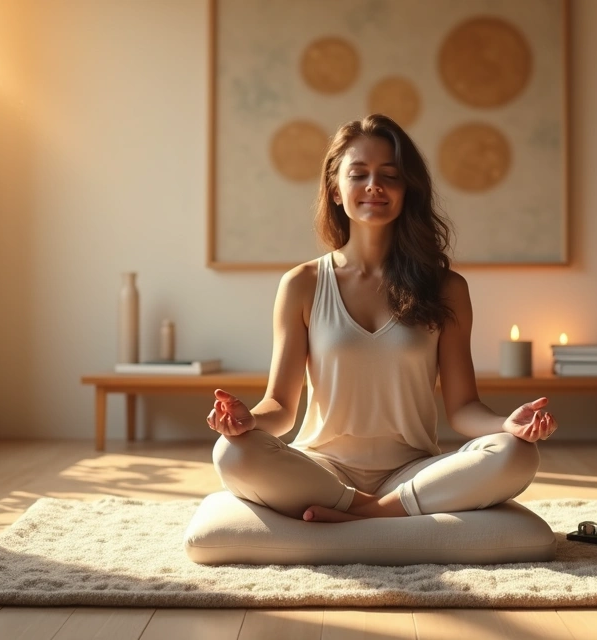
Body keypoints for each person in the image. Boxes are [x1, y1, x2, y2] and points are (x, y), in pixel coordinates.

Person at [207, 113, 558, 524]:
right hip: (322, 470)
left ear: (407, 189)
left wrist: (506, 424)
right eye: (359, 174)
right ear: (336, 190)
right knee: (232, 451)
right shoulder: (302, 284)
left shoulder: (447, 288)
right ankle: (377, 512)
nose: (374, 185)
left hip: (411, 472)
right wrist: (249, 420)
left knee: (516, 452)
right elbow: (281, 406)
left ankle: (369, 512)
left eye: (390, 175)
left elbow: (463, 408)